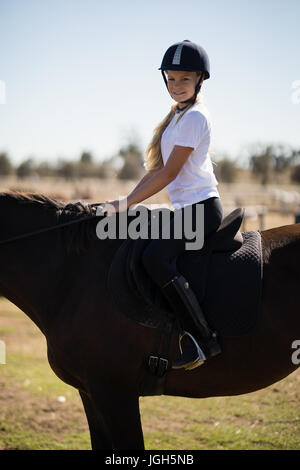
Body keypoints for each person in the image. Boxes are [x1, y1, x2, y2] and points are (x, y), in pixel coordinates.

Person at [104, 40, 223, 370]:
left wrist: (125, 202)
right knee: (139, 243)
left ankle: (201, 338)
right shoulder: (176, 118)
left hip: (202, 210)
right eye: (171, 79)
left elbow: (169, 174)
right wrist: (122, 203)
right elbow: (157, 170)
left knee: (155, 257)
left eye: (184, 79)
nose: (176, 86)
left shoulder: (196, 117)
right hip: (186, 210)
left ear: (200, 79)